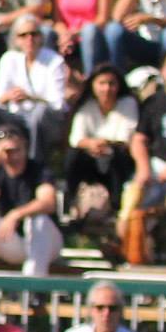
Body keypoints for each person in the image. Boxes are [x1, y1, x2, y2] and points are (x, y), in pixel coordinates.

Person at [0, 116, 63, 274]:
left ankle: (33, 288)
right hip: (9, 240)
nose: (12, 156)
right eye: (6, 151)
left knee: (38, 221)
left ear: (25, 146)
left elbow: (48, 202)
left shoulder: (38, 170)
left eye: (16, 150)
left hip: (44, 243)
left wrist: (16, 214)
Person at [0, 15, 70, 160]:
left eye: (34, 34)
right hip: (16, 117)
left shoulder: (54, 61)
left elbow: (58, 104)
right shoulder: (9, 59)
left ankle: (36, 164)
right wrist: (9, 96)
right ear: (16, 39)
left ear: (41, 37)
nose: (29, 39)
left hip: (45, 120)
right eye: (23, 35)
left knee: (40, 113)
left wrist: (30, 98)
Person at [65, 64, 140, 219]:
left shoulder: (128, 103)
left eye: (111, 84)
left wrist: (102, 143)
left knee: (117, 156)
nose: (106, 89)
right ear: (93, 85)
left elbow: (126, 136)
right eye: (101, 83)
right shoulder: (86, 106)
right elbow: (75, 138)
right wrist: (90, 144)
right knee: (73, 156)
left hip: (118, 157)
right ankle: (71, 203)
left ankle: (116, 205)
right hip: (91, 156)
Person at [125, 50, 166, 223]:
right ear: (162, 71)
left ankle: (156, 212)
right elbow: (139, 139)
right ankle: (124, 240)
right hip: (156, 165)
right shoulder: (152, 103)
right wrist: (143, 168)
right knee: (133, 195)